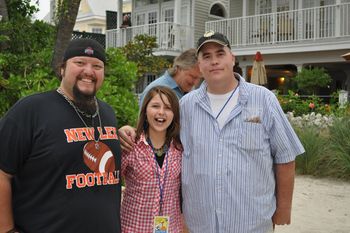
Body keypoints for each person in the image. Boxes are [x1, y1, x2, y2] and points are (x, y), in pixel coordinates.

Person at [119, 31, 305, 233]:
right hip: (200, 224)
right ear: (199, 66)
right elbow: (160, 139)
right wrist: (129, 131)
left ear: (232, 58)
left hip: (251, 222)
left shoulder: (264, 100)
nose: (214, 61)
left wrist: (284, 209)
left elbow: (285, 157)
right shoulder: (186, 106)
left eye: (220, 54)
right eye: (206, 56)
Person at [0, 38, 122, 233]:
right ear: (62, 69)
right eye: (80, 63)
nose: (89, 71)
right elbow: (2, 173)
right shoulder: (31, 110)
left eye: (97, 66)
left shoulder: (107, 113)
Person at [121, 86, 183, 232]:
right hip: (133, 228)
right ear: (145, 110)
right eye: (155, 106)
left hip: (170, 228)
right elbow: (109, 181)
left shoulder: (181, 148)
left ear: (174, 114)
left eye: (168, 108)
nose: (161, 112)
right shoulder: (130, 145)